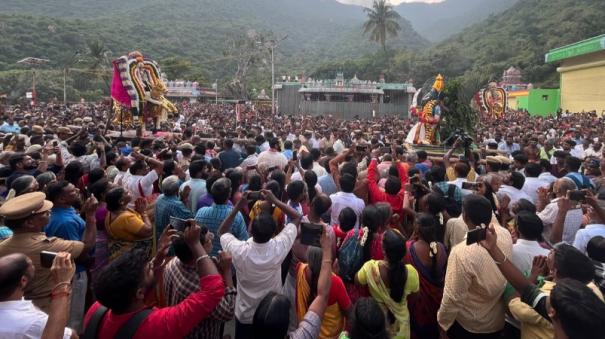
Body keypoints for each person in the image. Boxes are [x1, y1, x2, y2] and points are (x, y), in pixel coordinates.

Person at [83, 224, 226, 339]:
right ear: (139, 293)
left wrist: (158, 257)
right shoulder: (158, 324)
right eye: (148, 270)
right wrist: (196, 245)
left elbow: (142, 288)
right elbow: (212, 291)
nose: (152, 267)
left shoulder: (96, 310)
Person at [480, 223, 605, 339]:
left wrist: (534, 276)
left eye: (551, 310)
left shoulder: (560, 305)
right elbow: (527, 291)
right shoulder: (586, 295)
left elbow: (514, 304)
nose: (548, 311)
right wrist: (493, 249)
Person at [218, 190, 301, 339]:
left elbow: (222, 231)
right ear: (272, 233)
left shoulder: (239, 250)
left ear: (252, 230)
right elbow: (296, 217)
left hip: (245, 314)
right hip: (270, 314)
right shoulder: (278, 247)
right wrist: (275, 200)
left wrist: (238, 206)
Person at [437, 195, 513, 338]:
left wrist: (443, 323)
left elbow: (453, 297)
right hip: (497, 321)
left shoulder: (461, 253)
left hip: (470, 326)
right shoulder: (504, 234)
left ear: (465, 218)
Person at [0, 192, 85, 313]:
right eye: (45, 213)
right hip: (49, 309)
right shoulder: (49, 245)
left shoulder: (3, 246)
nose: (49, 214)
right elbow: (85, 248)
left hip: (18, 309)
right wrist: (91, 217)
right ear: (29, 223)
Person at [251, 222, 333, 339]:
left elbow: (322, 296)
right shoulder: (302, 336)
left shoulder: (300, 267)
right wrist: (327, 249)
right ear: (287, 324)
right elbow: (322, 296)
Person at [164, 225, 236, 339]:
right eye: (208, 239)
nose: (212, 238)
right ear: (197, 249)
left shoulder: (173, 262)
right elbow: (228, 312)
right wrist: (227, 270)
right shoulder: (200, 287)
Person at [44, 180, 98, 332]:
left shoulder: (65, 211)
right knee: (73, 318)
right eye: (73, 191)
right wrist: (90, 217)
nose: (78, 192)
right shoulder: (65, 222)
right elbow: (80, 254)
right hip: (75, 273)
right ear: (61, 199)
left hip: (75, 272)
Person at [355, 228, 419, 339]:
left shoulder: (370, 268)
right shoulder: (411, 272)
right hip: (402, 328)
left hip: (378, 327)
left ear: (384, 251)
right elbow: (414, 298)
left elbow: (357, 281)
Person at [0, 252, 76, 339]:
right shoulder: (33, 322)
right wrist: (62, 283)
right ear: (23, 280)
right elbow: (72, 336)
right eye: (30, 263)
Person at [405, 213, 447, 339]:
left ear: (417, 228)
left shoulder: (409, 248)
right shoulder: (441, 247)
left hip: (419, 309)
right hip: (438, 305)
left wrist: (412, 236)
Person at [294, 246, 351, 339]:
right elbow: (350, 313)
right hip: (331, 335)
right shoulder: (335, 282)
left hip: (308, 331)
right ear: (328, 261)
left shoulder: (300, 270)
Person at [195, 178, 248, 256]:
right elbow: (244, 241)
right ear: (229, 193)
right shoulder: (236, 216)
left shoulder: (201, 212)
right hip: (227, 261)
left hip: (206, 259)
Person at [104, 187, 153, 262]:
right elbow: (148, 231)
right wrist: (143, 213)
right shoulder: (126, 218)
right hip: (135, 249)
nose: (129, 192)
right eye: (127, 193)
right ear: (121, 202)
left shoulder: (111, 213)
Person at [537, 178, 582, 244]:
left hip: (550, 246)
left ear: (557, 190)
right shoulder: (578, 207)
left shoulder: (555, 206)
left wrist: (541, 201)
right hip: (569, 244)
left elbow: (535, 221)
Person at [154, 175, 193, 243]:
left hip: (160, 237)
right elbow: (191, 218)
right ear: (177, 190)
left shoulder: (159, 198)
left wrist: (182, 199)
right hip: (171, 242)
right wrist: (185, 200)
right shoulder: (176, 205)